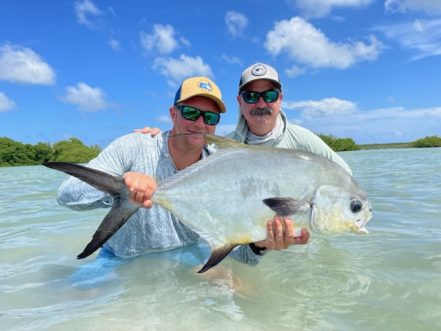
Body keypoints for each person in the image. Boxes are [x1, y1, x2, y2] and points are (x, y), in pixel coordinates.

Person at [57, 76, 309, 270]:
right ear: (172, 113)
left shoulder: (221, 167)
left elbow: (237, 252)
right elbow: (66, 195)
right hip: (120, 259)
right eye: (190, 112)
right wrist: (123, 187)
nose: (200, 123)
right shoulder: (134, 146)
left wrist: (259, 245)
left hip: (186, 260)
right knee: (74, 299)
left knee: (242, 304)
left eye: (210, 116)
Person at [229, 62, 352, 173]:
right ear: (240, 101)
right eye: (251, 96)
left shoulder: (304, 141)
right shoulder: (225, 147)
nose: (261, 104)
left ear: (280, 99)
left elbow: (346, 176)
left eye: (270, 95)